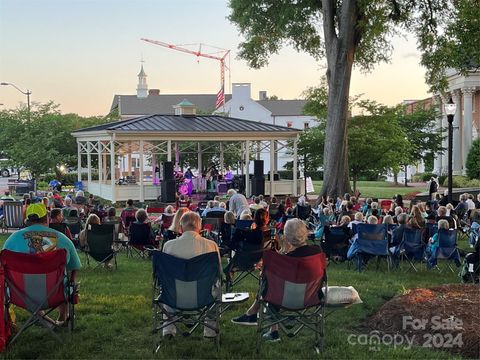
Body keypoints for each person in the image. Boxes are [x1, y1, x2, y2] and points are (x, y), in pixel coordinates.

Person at [231, 218, 321, 341]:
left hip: (283, 299)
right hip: (311, 297)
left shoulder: (281, 260)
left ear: (286, 237)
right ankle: (252, 314)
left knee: (271, 285)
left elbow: (268, 281)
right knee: (274, 284)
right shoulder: (317, 252)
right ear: (305, 233)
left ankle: (271, 329)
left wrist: (264, 271)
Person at [2, 203, 81, 324]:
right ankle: (62, 317)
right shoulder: (63, 239)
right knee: (67, 275)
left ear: (27, 221)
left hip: (20, 295)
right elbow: (75, 267)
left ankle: (41, 319)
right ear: (47, 219)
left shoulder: (11, 240)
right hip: (55, 294)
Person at [162, 212, 221, 338]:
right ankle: (210, 332)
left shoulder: (169, 246)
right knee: (217, 288)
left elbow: (163, 275)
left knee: (168, 286)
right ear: (199, 226)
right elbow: (219, 274)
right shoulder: (211, 246)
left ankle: (168, 330)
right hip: (204, 296)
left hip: (173, 297)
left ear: (181, 227)